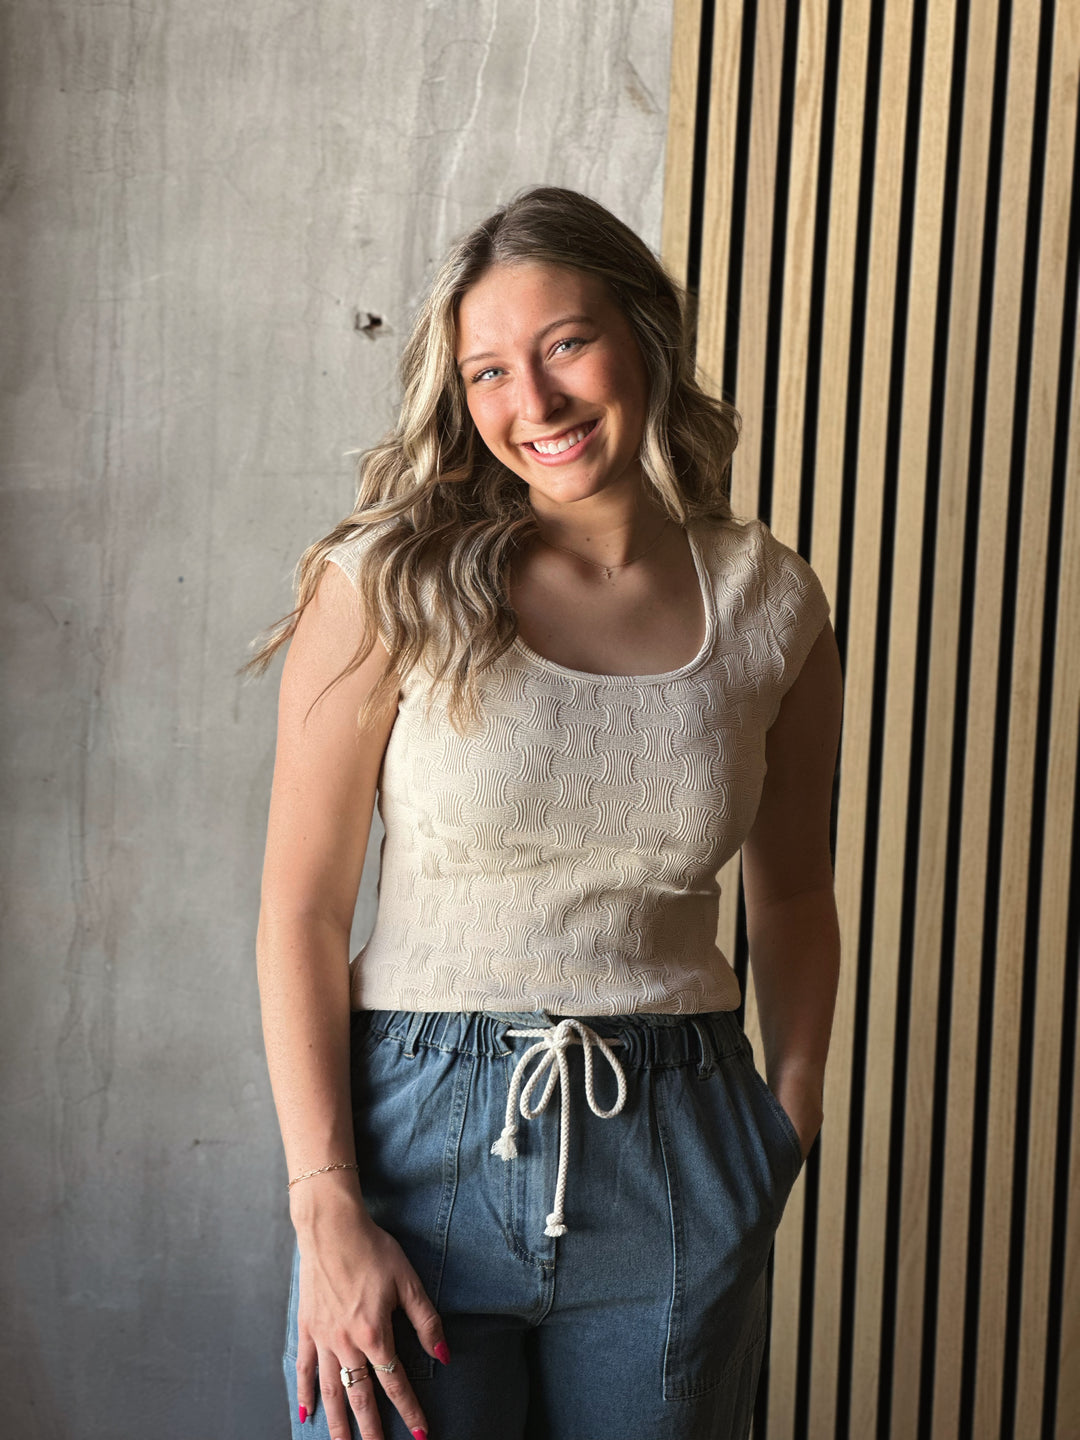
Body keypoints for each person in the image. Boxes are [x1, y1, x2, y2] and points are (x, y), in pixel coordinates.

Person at [250, 185, 843, 1440]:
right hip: (415, 1141)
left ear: (642, 336)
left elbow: (794, 897)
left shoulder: (771, 602)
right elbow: (302, 910)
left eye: (566, 343)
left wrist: (783, 1123)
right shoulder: (384, 581)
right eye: (489, 372)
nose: (536, 402)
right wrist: (324, 1201)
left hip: (681, 1137)